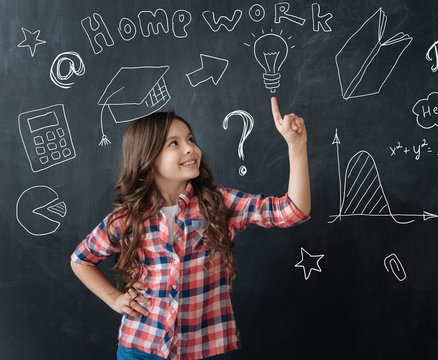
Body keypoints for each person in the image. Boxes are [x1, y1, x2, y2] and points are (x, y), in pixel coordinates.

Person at [70, 97, 311, 360]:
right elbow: (81, 260)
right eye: (174, 143)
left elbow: (293, 211)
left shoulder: (219, 203)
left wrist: (296, 147)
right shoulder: (127, 219)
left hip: (205, 348)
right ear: (147, 158)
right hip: (140, 347)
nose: (190, 148)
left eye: (191, 139)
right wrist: (115, 299)